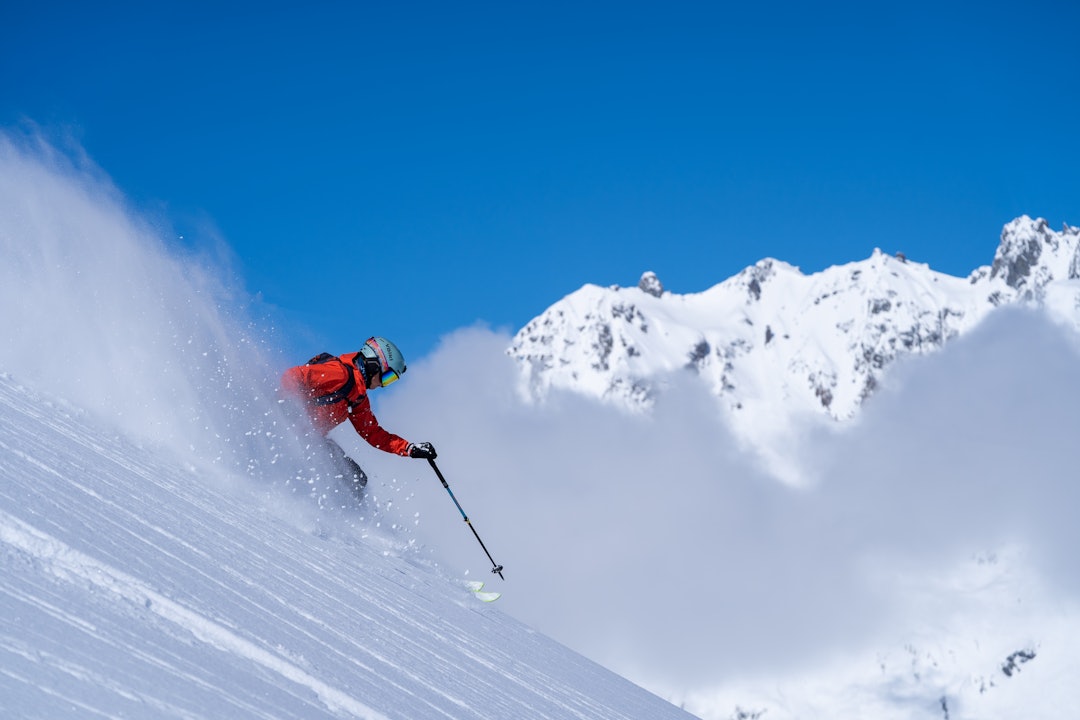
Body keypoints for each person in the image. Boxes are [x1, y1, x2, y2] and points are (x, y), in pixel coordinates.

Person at [280, 336, 436, 498]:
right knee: (348, 478)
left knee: (356, 478)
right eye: (386, 377)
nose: (382, 385)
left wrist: (409, 448)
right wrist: (286, 402)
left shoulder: (358, 398)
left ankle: (345, 516)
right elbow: (294, 375)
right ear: (373, 365)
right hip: (290, 429)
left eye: (389, 381)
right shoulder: (340, 374)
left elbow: (373, 433)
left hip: (311, 438)